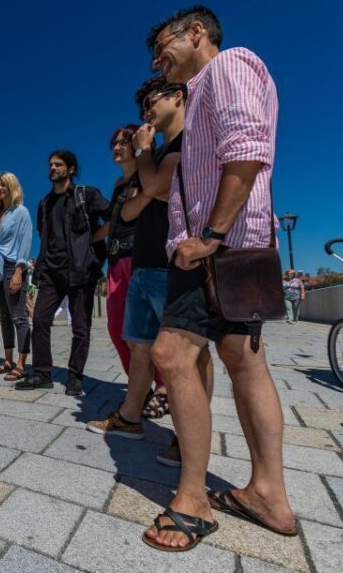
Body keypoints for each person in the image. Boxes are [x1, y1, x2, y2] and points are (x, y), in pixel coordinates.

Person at [143, 6, 295, 551]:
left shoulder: (228, 65)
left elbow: (248, 151)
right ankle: (268, 494)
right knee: (243, 360)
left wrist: (209, 233)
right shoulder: (202, 90)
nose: (156, 59)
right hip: (236, 243)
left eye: (162, 44)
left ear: (197, 33)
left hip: (215, 247)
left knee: (172, 354)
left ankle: (193, 500)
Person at [88, 77, 215, 444]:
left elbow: (157, 189)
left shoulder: (184, 142)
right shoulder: (154, 159)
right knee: (139, 345)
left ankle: (190, 436)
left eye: (151, 102)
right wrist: (148, 186)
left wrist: (146, 162)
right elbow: (125, 214)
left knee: (190, 352)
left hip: (167, 262)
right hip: (142, 263)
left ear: (178, 97)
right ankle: (130, 416)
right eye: (142, 107)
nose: (147, 112)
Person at [18, 150, 109, 395]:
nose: (52, 168)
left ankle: (75, 376)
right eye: (50, 164)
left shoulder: (85, 195)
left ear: (70, 169)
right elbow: (44, 236)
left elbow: (114, 216)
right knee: (39, 320)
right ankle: (42, 373)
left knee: (80, 327)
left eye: (58, 164)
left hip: (80, 271)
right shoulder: (44, 204)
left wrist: (92, 240)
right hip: (50, 271)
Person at [100, 125, 141, 376]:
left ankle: (161, 385)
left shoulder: (146, 174)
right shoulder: (118, 184)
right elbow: (111, 224)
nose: (117, 147)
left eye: (123, 142)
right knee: (116, 327)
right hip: (115, 259)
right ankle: (137, 382)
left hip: (140, 256)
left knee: (143, 328)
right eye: (114, 143)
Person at [0, 172, 32, 381]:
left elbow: (25, 241)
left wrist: (20, 270)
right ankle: (8, 360)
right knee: (3, 317)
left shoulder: (21, 212)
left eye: (4, 185)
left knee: (19, 316)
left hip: (13, 267)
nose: (0, 188)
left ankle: (21, 363)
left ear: (12, 187)